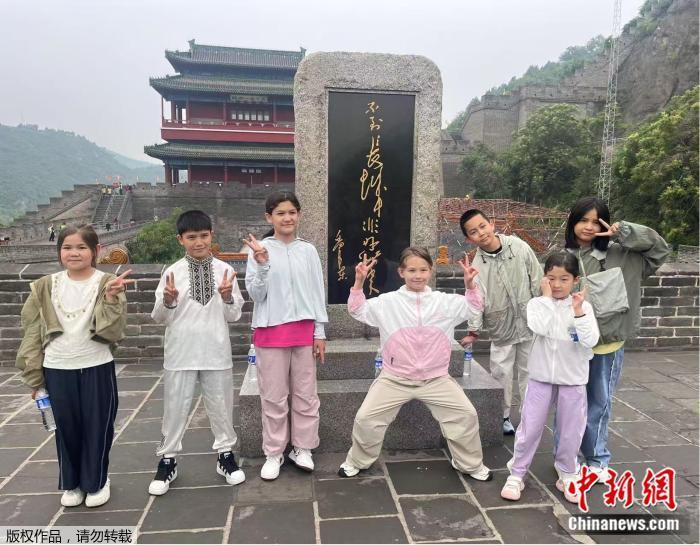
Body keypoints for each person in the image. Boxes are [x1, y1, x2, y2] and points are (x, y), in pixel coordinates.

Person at [338, 247, 492, 482]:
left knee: (466, 415)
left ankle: (469, 464)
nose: (417, 275)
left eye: (423, 270)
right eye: (411, 270)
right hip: (394, 378)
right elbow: (358, 310)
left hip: (436, 378)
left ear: (430, 271)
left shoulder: (444, 302)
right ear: (401, 272)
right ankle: (358, 461)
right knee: (366, 418)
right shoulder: (388, 302)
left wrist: (470, 287)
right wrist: (359, 282)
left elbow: (474, 308)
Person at [15, 224, 131, 508]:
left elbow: (114, 332)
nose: (74, 253)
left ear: (96, 250)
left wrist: (111, 299)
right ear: (59, 251)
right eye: (67, 247)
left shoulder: (107, 282)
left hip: (96, 364)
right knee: (66, 429)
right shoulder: (45, 286)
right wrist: (34, 379)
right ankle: (72, 483)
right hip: (56, 367)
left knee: (97, 426)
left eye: (81, 247)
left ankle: (97, 481)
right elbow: (32, 333)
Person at [561, 196, 669, 481]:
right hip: (571, 346)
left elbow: (660, 250)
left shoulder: (624, 255)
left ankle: (596, 459)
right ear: (572, 223)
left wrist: (625, 232)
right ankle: (566, 459)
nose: (588, 227)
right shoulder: (562, 258)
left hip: (607, 345)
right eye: (583, 220)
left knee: (599, 402)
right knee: (568, 405)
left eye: (595, 221)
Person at [148, 210, 246, 495]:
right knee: (175, 407)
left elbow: (234, 315)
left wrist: (227, 297)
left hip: (216, 349)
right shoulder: (172, 272)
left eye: (204, 236)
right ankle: (168, 459)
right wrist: (168, 301)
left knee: (221, 405)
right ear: (181, 239)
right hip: (181, 351)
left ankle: (225, 455)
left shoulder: (225, 271)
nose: (199, 242)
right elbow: (158, 317)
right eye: (191, 237)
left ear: (211, 235)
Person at [501, 253, 599, 503]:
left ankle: (568, 472)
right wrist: (545, 299)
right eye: (551, 278)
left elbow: (590, 340)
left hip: (573, 379)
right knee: (530, 427)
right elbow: (540, 327)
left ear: (575, 280)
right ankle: (517, 472)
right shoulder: (536, 304)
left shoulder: (584, 307)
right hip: (540, 377)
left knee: (570, 430)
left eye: (564, 279)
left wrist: (578, 312)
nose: (557, 284)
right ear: (544, 278)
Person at [243, 191, 328, 481]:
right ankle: (274, 452)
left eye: (292, 212)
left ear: (299, 215)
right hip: (270, 332)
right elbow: (256, 295)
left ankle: (303, 447)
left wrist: (319, 332)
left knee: (306, 394)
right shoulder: (259, 249)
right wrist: (262, 264)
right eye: (280, 213)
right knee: (274, 397)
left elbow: (317, 292)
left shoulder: (308, 250)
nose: (287, 218)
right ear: (269, 217)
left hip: (304, 331)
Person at [459, 209, 542, 434]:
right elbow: (477, 300)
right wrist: (473, 330)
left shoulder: (518, 246)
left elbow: (537, 278)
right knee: (500, 372)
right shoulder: (477, 264)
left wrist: (546, 312)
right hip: (501, 325)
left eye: (482, 226)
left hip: (529, 321)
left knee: (530, 371)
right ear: (469, 238)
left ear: (492, 224)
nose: (481, 233)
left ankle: (530, 417)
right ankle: (502, 416)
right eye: (473, 232)